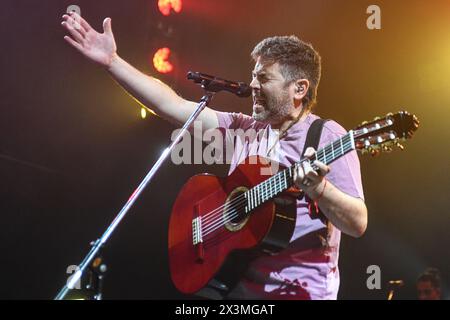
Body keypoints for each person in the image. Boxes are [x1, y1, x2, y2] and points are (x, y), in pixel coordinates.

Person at [61, 12, 367, 300]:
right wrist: (112, 62)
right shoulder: (246, 128)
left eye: (264, 78)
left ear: (299, 88)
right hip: (232, 284)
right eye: (253, 76)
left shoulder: (327, 136)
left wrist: (320, 189)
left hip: (297, 292)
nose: (252, 86)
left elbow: (357, 223)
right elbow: (173, 106)